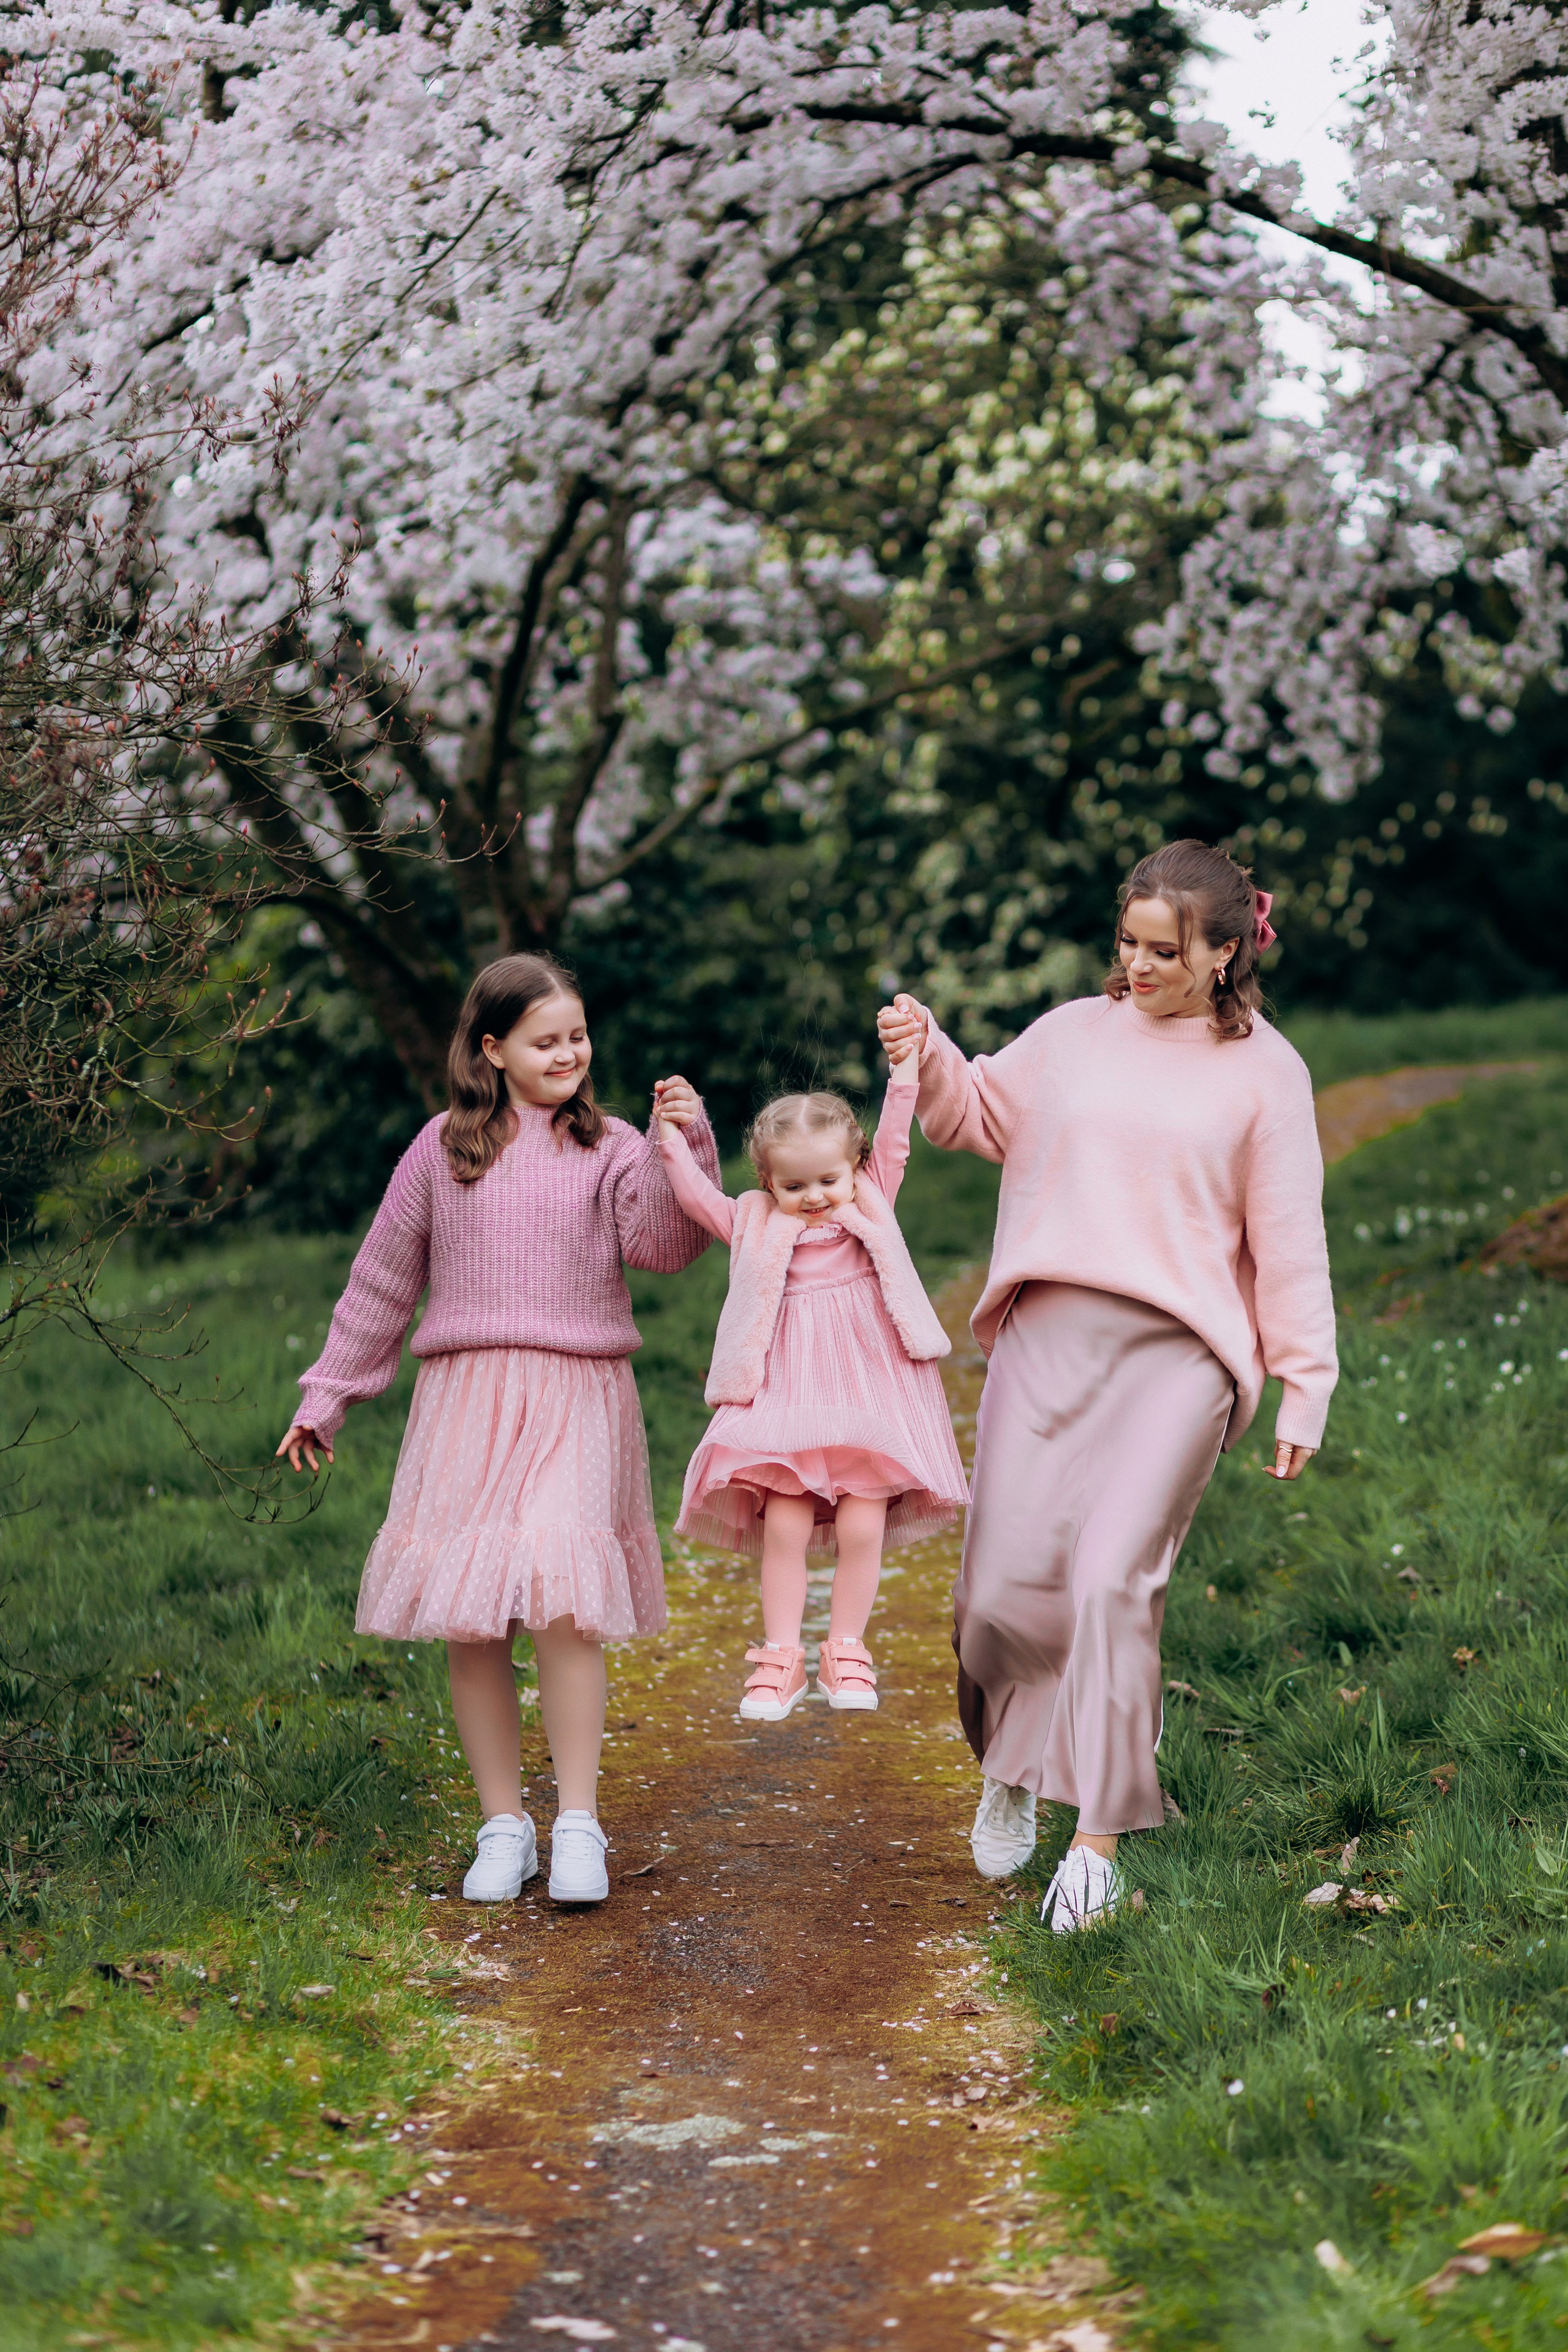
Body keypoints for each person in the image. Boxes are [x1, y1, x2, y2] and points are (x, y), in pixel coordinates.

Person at [877, 840, 1337, 1929]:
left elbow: (1292, 1243)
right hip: (1048, 1332)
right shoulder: (1071, 1037)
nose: (1137, 967)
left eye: (1164, 951)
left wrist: (1303, 1384)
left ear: (1224, 953)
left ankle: (1096, 1839)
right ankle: (1017, 1758)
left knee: (1108, 1580)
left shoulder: (1270, 1073)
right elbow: (974, 1116)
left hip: (1182, 1355)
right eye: (1128, 943)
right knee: (998, 1596)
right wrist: (931, 1049)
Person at [276, 954, 718, 1906]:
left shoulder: (613, 1146)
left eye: (579, 1037)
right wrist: (329, 1393)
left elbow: (666, 1246)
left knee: (561, 1599)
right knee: (473, 1619)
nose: (571, 1054)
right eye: (546, 1041)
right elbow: (383, 1280)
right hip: (467, 1399)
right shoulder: (443, 1148)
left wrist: (691, 1143)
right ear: (493, 1049)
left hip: (578, 1392)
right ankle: (504, 1824)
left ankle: (579, 1826)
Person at [653, 1035, 968, 1721]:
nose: (816, 1196)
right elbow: (696, 1196)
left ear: (855, 1167)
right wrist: (671, 1135)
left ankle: (846, 1649)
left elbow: (895, 1136)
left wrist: (906, 1069)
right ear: (768, 1182)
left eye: (828, 1179)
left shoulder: (872, 1198)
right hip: (788, 1399)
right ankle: (780, 1657)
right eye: (794, 1185)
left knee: (862, 1526)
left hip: (864, 1397)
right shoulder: (755, 1223)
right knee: (786, 1527)